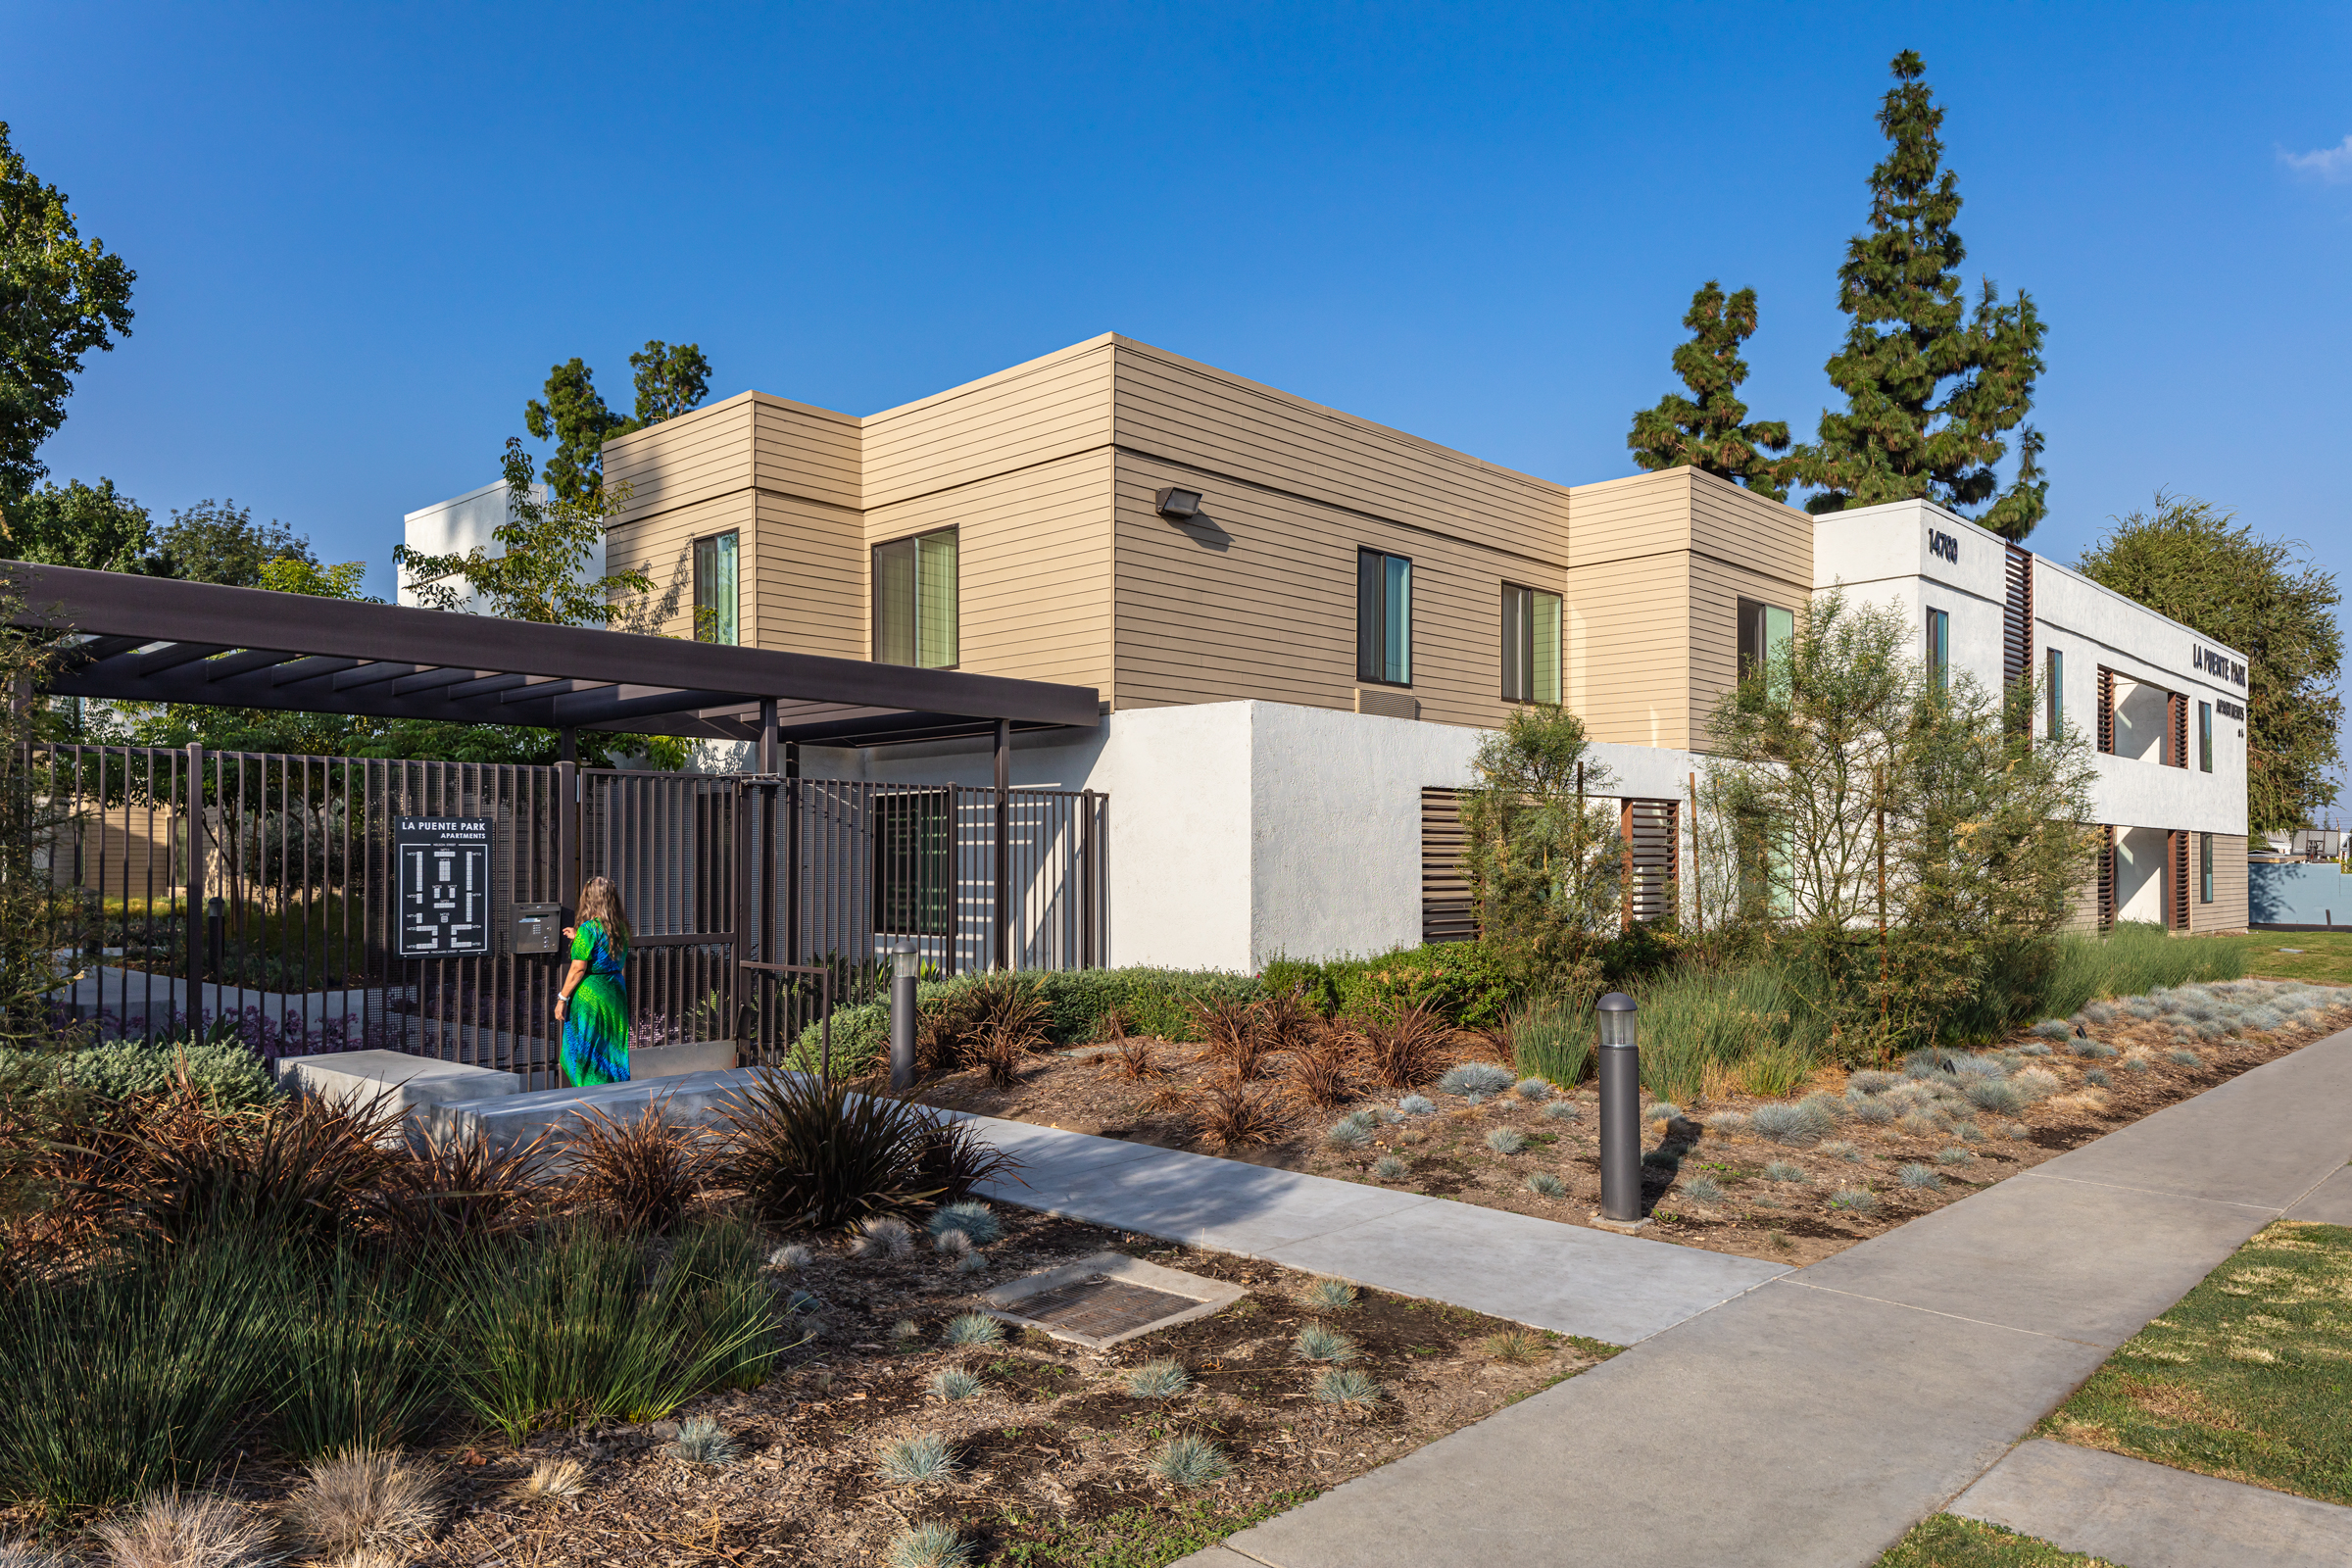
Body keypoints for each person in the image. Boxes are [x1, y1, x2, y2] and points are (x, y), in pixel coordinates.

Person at [557, 876, 631, 1086]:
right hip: (614, 991)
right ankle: (615, 1089)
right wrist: (578, 936)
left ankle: (589, 1093)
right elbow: (604, 950)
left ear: (590, 899)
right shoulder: (620, 926)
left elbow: (578, 968)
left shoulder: (589, 928)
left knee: (583, 1046)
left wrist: (562, 998)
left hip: (591, 994)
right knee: (610, 1044)